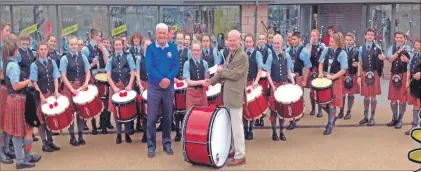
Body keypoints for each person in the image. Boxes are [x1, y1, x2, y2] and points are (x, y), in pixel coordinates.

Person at [207, 29, 248, 166]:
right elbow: (224, 72)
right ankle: (234, 149)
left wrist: (220, 70)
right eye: (229, 40)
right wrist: (211, 81)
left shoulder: (242, 56)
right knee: (230, 125)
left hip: (235, 96)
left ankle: (240, 155)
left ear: (239, 40)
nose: (231, 43)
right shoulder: (232, 53)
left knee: (237, 126)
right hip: (228, 95)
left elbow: (235, 74)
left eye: (234, 40)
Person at [3, 34, 41, 169]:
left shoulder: (10, 63)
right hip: (18, 100)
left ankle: (25, 157)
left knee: (21, 132)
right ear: (15, 51)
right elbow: (15, 86)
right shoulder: (13, 66)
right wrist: (28, 81)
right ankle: (22, 160)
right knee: (24, 131)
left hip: (15, 100)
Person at [145, 23, 179, 158]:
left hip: (168, 87)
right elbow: (149, 67)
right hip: (154, 87)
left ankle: (167, 143)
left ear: (168, 34)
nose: (162, 35)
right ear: (156, 34)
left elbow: (176, 66)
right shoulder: (150, 49)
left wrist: (168, 79)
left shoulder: (173, 48)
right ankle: (151, 146)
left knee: (167, 116)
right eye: (160, 33)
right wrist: (161, 79)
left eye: (164, 33)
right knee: (152, 118)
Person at [30, 41, 61, 152]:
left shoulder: (52, 62)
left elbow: (56, 77)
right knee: (42, 120)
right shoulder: (34, 65)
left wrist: (57, 91)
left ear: (48, 51)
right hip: (41, 95)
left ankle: (51, 141)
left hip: (51, 93)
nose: (43, 51)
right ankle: (44, 143)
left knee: (50, 117)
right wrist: (41, 96)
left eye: (45, 49)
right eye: (41, 49)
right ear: (38, 51)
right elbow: (34, 82)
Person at [60, 36, 91, 146]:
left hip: (81, 86)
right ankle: (72, 136)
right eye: (71, 44)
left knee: (81, 112)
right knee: (70, 112)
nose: (74, 46)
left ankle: (81, 136)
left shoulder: (83, 57)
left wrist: (86, 82)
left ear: (78, 46)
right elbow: (63, 76)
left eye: (75, 44)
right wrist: (72, 89)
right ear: (68, 46)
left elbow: (87, 72)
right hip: (69, 86)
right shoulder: (64, 58)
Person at [106, 37, 136, 144]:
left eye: (120, 45)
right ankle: (118, 134)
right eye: (116, 45)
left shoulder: (128, 57)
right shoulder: (110, 58)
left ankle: (127, 134)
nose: (118, 47)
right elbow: (108, 76)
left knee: (127, 111)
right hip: (115, 87)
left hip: (126, 86)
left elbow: (133, 72)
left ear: (122, 46)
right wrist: (113, 87)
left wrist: (129, 85)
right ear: (114, 46)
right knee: (117, 112)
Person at [318, 32, 349, 135]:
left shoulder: (342, 53)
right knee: (321, 102)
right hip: (325, 79)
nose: (329, 43)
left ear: (338, 43)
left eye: (331, 41)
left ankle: (330, 124)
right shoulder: (326, 50)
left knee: (331, 103)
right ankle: (333, 117)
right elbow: (321, 62)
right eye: (329, 41)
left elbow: (343, 70)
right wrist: (320, 72)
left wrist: (333, 77)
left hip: (335, 80)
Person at [82, 28, 111, 135]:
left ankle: (103, 126)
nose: (101, 37)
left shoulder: (103, 47)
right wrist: (90, 65)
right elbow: (83, 66)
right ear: (95, 36)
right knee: (92, 101)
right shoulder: (86, 49)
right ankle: (94, 126)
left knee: (104, 100)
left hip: (102, 78)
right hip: (92, 77)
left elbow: (108, 62)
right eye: (100, 35)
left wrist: (103, 49)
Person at [265, 34, 294, 141]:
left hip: (284, 85)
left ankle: (282, 131)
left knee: (283, 110)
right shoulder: (270, 56)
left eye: (278, 43)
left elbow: (289, 72)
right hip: (274, 85)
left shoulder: (287, 56)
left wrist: (294, 83)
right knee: (273, 110)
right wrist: (272, 86)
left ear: (282, 44)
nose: (276, 45)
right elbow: (268, 73)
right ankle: (274, 132)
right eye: (274, 43)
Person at [357, 28, 386, 126]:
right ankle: (365, 117)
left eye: (372, 35)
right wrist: (358, 75)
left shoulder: (377, 48)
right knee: (366, 96)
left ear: (374, 37)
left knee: (373, 96)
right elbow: (360, 63)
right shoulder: (361, 48)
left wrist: (383, 58)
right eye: (368, 34)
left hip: (374, 73)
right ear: (365, 36)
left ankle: (372, 118)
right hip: (365, 73)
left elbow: (382, 59)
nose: (370, 36)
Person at [285, 32, 312, 130]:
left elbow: (307, 67)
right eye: (291, 39)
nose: (292, 41)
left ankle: (295, 118)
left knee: (298, 98)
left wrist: (305, 80)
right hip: (289, 77)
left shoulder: (304, 51)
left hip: (299, 77)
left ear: (299, 39)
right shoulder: (288, 50)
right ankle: (293, 115)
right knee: (290, 98)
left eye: (295, 39)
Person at [385, 31, 411, 129]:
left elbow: (412, 62)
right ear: (395, 38)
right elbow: (390, 59)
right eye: (397, 37)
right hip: (394, 75)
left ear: (404, 39)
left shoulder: (408, 48)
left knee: (402, 99)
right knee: (393, 99)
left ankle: (400, 119)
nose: (399, 39)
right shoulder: (392, 48)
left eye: (401, 38)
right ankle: (394, 117)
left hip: (404, 75)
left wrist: (407, 60)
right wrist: (399, 51)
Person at [243, 33, 264, 140]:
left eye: (250, 41)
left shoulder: (257, 54)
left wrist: (256, 81)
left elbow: (260, 69)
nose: (248, 44)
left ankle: (250, 130)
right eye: (246, 41)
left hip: (252, 83)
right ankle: (244, 129)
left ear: (253, 42)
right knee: (243, 107)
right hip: (242, 83)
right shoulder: (241, 53)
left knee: (251, 107)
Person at [0, 20, 14, 164]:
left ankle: (6, 148)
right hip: (1, 87)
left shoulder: (5, 47)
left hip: (6, 87)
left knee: (6, 121)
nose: (9, 33)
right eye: (7, 30)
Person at [337, 32, 360, 120]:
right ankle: (341, 111)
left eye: (350, 40)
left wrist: (358, 64)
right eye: (347, 40)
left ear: (354, 40)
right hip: (342, 74)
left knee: (350, 94)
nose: (348, 42)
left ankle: (349, 112)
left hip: (352, 74)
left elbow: (361, 63)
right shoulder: (341, 50)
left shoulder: (357, 51)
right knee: (342, 94)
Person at [183, 40, 209, 110]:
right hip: (191, 93)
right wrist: (201, 82)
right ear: (191, 50)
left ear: (201, 51)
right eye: (194, 50)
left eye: (198, 50)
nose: (196, 52)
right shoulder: (187, 64)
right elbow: (188, 82)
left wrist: (208, 81)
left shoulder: (205, 64)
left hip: (202, 92)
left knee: (203, 115)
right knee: (191, 116)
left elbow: (206, 79)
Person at [135, 38, 152, 143]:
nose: (148, 47)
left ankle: (151, 133)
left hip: (152, 85)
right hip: (143, 84)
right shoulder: (139, 58)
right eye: (146, 45)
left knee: (151, 109)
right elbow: (137, 72)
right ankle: (145, 133)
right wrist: (140, 84)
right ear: (142, 46)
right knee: (142, 110)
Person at [306, 29, 326, 118]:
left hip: (319, 70)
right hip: (311, 69)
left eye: (314, 36)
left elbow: (323, 58)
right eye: (311, 35)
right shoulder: (308, 45)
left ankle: (320, 110)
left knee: (319, 90)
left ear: (318, 36)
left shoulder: (322, 46)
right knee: (311, 90)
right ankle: (313, 109)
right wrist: (310, 44)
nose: (313, 37)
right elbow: (307, 56)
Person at [128, 31, 144, 133]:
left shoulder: (143, 50)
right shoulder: (129, 50)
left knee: (140, 101)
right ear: (132, 40)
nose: (136, 40)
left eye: (138, 38)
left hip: (140, 77)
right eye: (135, 38)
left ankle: (139, 123)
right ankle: (131, 125)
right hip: (131, 78)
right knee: (131, 101)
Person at [405, 37, 421, 135]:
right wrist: (407, 80)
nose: (418, 46)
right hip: (415, 84)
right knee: (416, 105)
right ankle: (414, 127)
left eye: (420, 45)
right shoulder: (413, 55)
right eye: (416, 45)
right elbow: (409, 69)